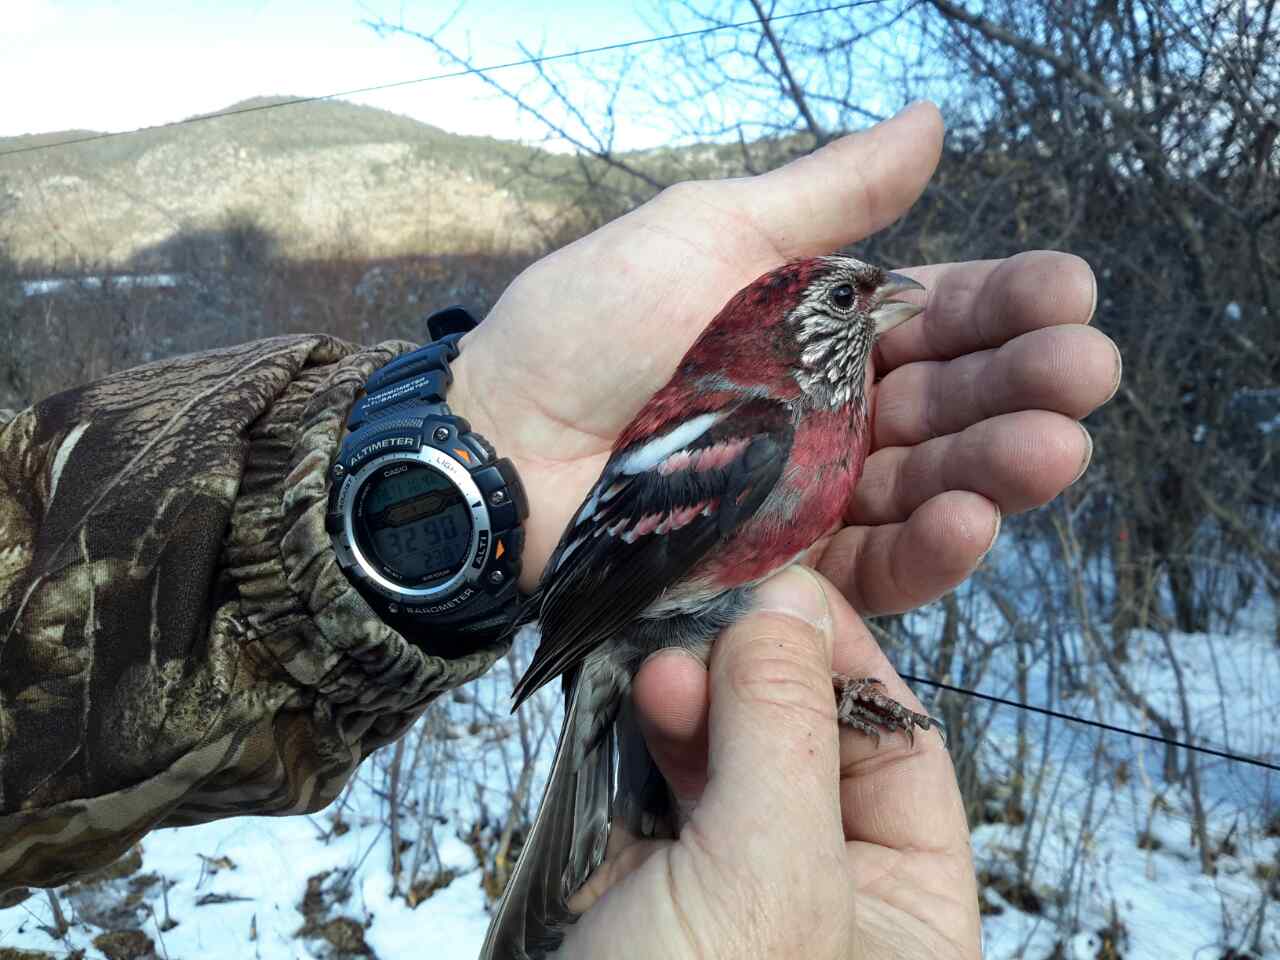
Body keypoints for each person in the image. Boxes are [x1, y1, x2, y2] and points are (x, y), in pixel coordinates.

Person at [0, 102, 1118, 956]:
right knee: (726, 669)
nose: (882, 305)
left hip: (672, 624)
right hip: (623, 620)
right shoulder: (752, 424)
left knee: (739, 673)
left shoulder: (815, 418)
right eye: (844, 301)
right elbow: (645, 586)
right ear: (781, 339)